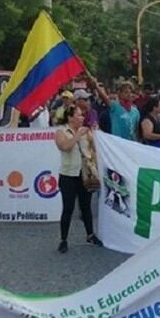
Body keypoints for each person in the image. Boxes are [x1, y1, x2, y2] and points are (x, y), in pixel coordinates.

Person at [53, 106, 102, 253]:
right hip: (68, 175)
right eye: (79, 115)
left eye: (82, 116)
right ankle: (63, 239)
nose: (82, 118)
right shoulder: (61, 132)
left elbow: (94, 149)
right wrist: (77, 135)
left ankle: (90, 234)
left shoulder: (86, 132)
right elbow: (65, 147)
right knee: (68, 208)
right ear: (70, 117)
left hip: (85, 174)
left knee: (86, 206)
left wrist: (96, 134)